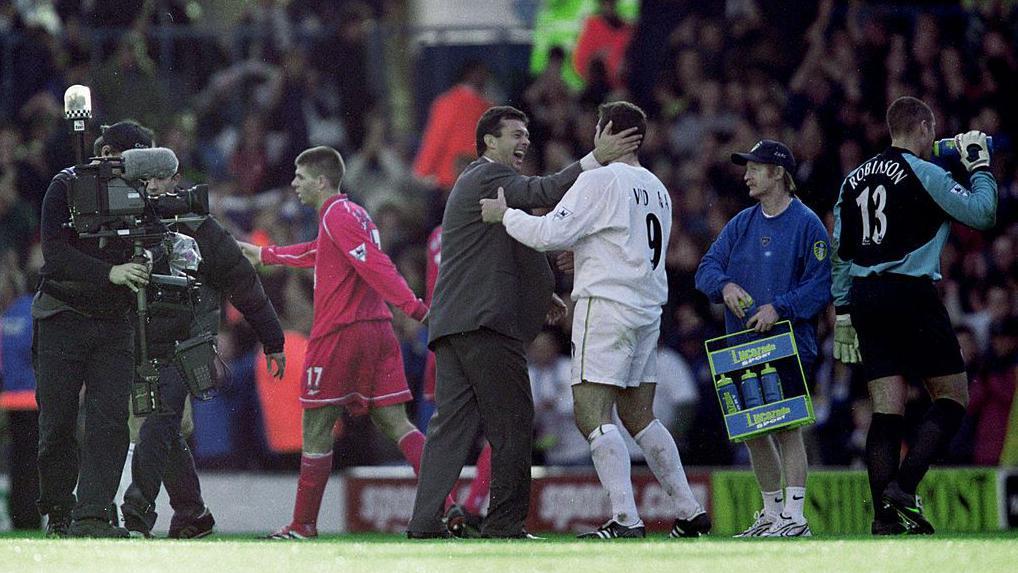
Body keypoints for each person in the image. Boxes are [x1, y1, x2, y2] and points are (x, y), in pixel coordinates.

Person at [407, 105, 640, 539]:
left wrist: (541, 291)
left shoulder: (480, 186)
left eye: (527, 134)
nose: (524, 142)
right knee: (513, 422)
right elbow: (543, 191)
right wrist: (596, 157)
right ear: (488, 142)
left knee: (450, 429)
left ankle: (423, 524)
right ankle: (505, 525)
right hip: (485, 325)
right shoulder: (487, 176)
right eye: (515, 134)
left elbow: (511, 242)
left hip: (453, 327)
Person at [478, 101, 707, 540]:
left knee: (591, 414)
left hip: (606, 308)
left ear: (606, 131)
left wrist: (504, 215)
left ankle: (625, 518)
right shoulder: (658, 187)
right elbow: (623, 242)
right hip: (647, 311)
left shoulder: (599, 179)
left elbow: (548, 234)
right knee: (640, 415)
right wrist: (583, 252)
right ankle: (689, 510)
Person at [237, 146, 450, 540]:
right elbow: (320, 252)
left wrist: (418, 310)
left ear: (321, 180)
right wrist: (267, 253)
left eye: (300, 177)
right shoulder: (354, 213)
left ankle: (303, 525)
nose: (294, 184)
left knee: (315, 427)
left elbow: (375, 265)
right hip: (378, 332)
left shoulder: (334, 213)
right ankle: (450, 506)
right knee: (397, 423)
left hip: (341, 333)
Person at [831, 96, 996, 535]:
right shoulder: (926, 174)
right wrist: (977, 166)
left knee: (887, 411)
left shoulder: (853, 180)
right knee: (952, 398)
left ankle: (884, 520)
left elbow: (840, 250)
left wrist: (843, 309)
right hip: (910, 293)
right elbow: (982, 213)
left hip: (865, 297)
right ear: (923, 127)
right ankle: (903, 487)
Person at [119, 169, 287, 538]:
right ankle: (193, 514)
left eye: (156, 179)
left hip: (188, 345)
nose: (149, 187)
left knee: (158, 420)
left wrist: (272, 340)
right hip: (141, 344)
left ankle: (136, 512)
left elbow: (244, 283)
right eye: (142, 180)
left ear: (173, 180)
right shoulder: (125, 222)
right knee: (165, 431)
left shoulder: (200, 227)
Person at [695, 139, 832, 537]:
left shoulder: (807, 224)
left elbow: (820, 285)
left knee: (787, 427)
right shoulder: (742, 223)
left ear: (778, 174)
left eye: (755, 168)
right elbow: (705, 269)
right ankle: (772, 512)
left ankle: (796, 515)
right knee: (752, 430)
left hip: (787, 343)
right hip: (739, 346)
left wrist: (780, 307)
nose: (746, 175)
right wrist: (724, 287)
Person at [34, 121, 154, 538]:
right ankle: (59, 510)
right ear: (104, 153)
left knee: (109, 422)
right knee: (57, 424)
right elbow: (55, 255)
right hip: (61, 317)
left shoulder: (141, 195)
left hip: (112, 323)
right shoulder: (65, 188)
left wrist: (148, 257)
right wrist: (111, 272)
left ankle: (93, 515)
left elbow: (151, 241)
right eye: (127, 161)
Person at [422, 224, 492, 536]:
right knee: (504, 424)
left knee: (443, 432)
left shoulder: (437, 234)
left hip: (440, 338)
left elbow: (432, 290)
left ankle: (445, 508)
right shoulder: (490, 229)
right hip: (479, 335)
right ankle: (473, 505)